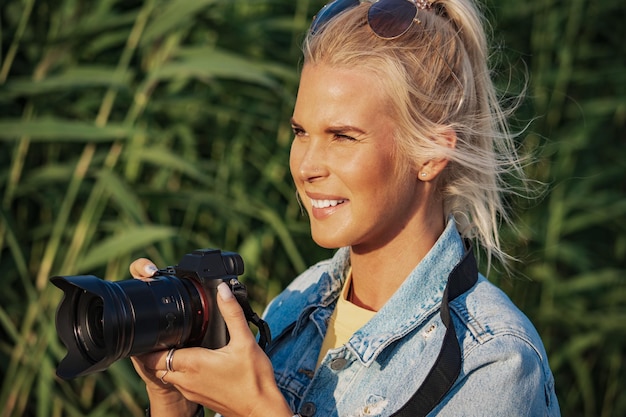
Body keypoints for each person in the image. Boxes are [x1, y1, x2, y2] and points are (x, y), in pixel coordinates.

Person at [129, 0, 561, 416]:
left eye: (342, 136)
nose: (306, 166)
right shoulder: (301, 303)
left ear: (430, 155)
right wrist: (172, 400)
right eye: (300, 131)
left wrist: (257, 410)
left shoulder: (493, 362)